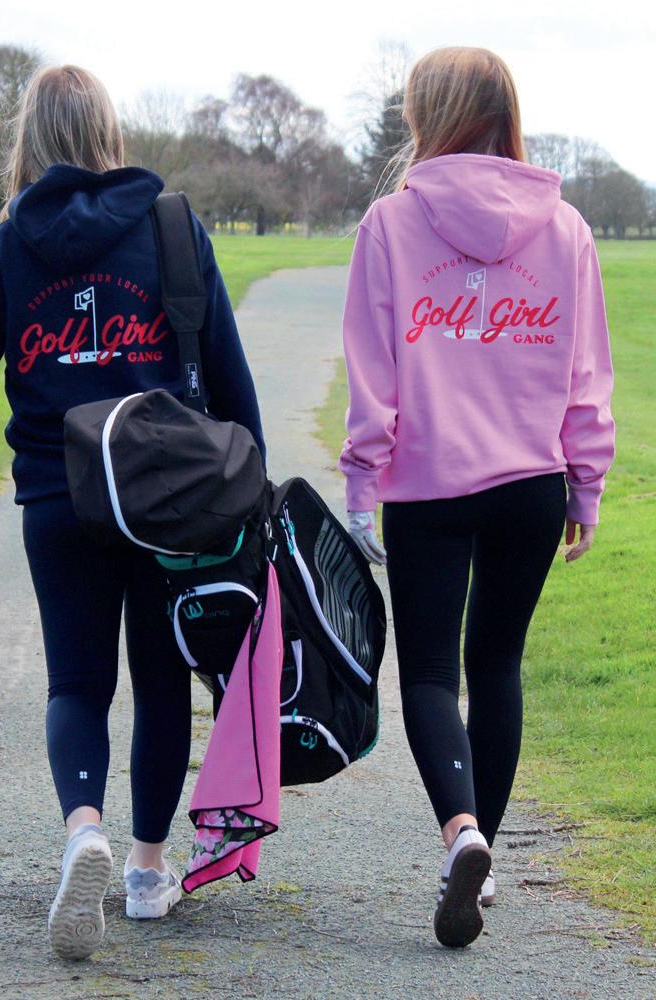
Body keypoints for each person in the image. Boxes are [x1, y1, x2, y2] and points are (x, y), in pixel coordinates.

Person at [0, 65, 265, 960]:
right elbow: (228, 374)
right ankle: (144, 872)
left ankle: (82, 832)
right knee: (159, 680)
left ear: (26, 139)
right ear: (107, 133)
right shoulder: (173, 227)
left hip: (59, 497)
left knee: (75, 683)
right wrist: (253, 497)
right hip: (168, 502)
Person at [340, 46, 615, 949]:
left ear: (427, 116)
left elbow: (372, 372)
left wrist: (360, 482)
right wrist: (585, 483)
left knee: (428, 673)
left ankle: (461, 832)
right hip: (530, 485)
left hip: (427, 487)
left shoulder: (389, 224)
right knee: (496, 665)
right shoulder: (565, 229)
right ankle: (480, 859)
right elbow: (585, 375)